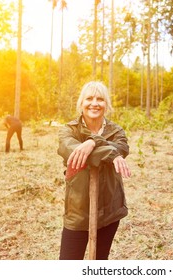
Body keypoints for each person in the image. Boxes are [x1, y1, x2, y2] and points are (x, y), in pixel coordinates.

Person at [57, 81, 131, 260]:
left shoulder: (116, 131)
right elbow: (72, 151)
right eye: (89, 98)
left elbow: (121, 148)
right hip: (78, 210)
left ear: (106, 104)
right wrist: (107, 151)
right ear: (81, 103)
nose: (94, 103)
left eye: (100, 99)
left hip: (109, 210)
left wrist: (92, 142)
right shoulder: (69, 131)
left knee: (99, 263)